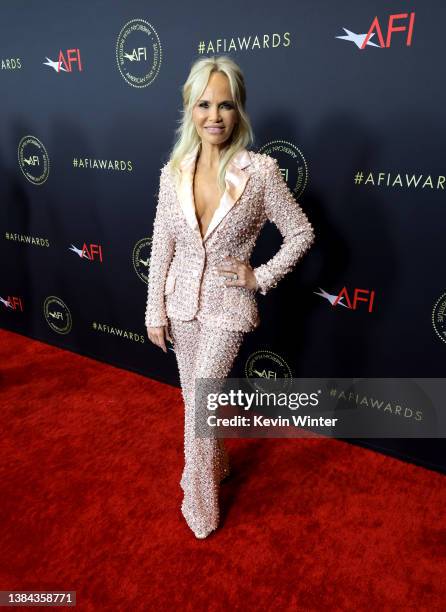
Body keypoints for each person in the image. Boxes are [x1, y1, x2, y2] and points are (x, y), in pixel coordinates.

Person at [145, 55, 315, 539]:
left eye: (225, 105)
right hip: (181, 308)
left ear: (238, 110)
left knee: (199, 406)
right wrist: (155, 309)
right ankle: (216, 463)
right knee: (195, 401)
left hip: (227, 308)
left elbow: (300, 233)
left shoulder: (259, 173)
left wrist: (259, 276)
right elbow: (162, 245)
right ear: (189, 108)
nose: (214, 116)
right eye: (204, 104)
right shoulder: (172, 172)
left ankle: (198, 503)